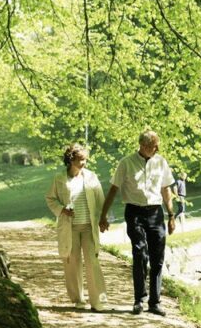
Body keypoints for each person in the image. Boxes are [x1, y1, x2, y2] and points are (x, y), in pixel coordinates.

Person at [99, 130, 176, 316]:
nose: (156, 149)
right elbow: (113, 190)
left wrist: (171, 214)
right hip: (134, 212)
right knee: (140, 252)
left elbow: (166, 189)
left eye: (157, 145)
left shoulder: (161, 162)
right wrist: (103, 215)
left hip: (155, 212)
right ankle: (138, 299)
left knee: (157, 257)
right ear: (142, 146)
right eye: (153, 146)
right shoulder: (126, 163)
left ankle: (155, 302)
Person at [45, 143, 108, 311]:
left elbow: (101, 200)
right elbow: (50, 199)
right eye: (80, 160)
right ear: (71, 159)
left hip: (88, 226)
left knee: (92, 261)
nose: (83, 163)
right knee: (72, 262)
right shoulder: (59, 178)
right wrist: (62, 210)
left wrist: (104, 219)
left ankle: (98, 301)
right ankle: (78, 299)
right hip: (70, 227)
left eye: (85, 160)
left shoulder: (91, 177)